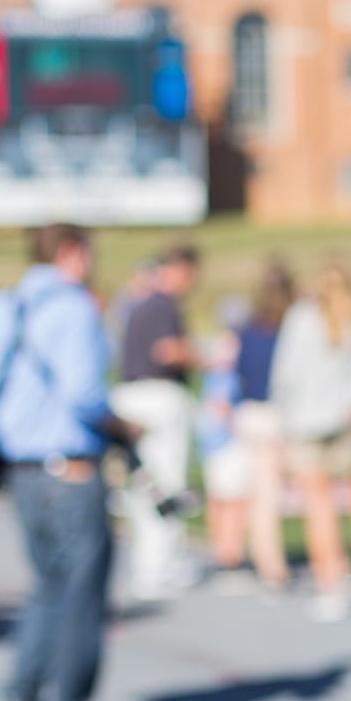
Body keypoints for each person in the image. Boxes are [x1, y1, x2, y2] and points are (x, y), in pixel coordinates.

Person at [0, 223, 142, 701]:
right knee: (81, 592)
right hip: (69, 464)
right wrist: (124, 427)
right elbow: (85, 394)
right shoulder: (72, 307)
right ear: (73, 252)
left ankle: (19, 696)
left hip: (22, 466)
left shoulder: (6, 304)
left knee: (48, 584)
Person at [270, 259, 351, 622]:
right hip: (344, 424)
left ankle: (332, 589)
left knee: (320, 506)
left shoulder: (302, 317)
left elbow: (285, 374)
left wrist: (283, 422)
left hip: (306, 425)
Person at [110, 243, 200, 601]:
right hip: (159, 396)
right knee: (167, 480)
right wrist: (207, 358)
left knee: (143, 482)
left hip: (131, 395)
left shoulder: (138, 303)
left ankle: (148, 562)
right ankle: (160, 565)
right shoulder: (164, 304)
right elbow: (168, 350)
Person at [233, 261, 296, 594]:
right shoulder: (289, 330)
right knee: (269, 495)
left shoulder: (249, 328)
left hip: (249, 413)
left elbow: (240, 371)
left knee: (257, 492)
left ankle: (255, 555)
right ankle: (271, 565)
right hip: (273, 415)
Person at [196, 303, 250, 586]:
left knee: (219, 498)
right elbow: (223, 400)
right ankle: (231, 556)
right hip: (226, 435)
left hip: (210, 435)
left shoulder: (216, 346)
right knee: (234, 499)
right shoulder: (233, 349)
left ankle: (221, 551)